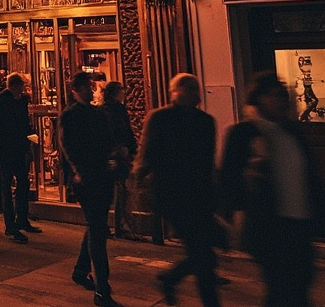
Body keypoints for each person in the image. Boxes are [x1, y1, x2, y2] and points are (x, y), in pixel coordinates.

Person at [220, 72, 325, 307]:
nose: (282, 100)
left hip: (300, 222)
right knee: (284, 288)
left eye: (284, 94)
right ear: (259, 99)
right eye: (275, 95)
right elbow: (228, 179)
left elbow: (308, 174)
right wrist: (235, 216)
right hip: (268, 225)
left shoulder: (292, 131)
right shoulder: (243, 133)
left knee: (299, 285)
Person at [136, 73, 221, 307]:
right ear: (174, 91)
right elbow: (147, 154)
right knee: (203, 255)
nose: (193, 92)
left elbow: (208, 160)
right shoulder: (160, 118)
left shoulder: (206, 121)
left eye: (195, 87)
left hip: (199, 194)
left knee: (202, 253)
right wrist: (142, 187)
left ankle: (169, 278)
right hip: (172, 194)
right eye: (186, 88)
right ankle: (180, 284)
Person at [61, 71, 119, 307]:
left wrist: (115, 155)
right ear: (75, 90)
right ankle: (102, 288)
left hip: (101, 174)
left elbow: (108, 140)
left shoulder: (98, 113)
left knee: (97, 224)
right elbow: (68, 145)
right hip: (87, 177)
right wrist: (77, 170)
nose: (88, 90)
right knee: (97, 228)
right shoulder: (71, 115)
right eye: (84, 86)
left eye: (90, 86)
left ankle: (81, 269)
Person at [0, 72, 36, 241]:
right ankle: (11, 225)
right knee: (7, 186)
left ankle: (21, 219)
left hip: (18, 148)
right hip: (6, 150)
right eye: (22, 86)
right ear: (16, 86)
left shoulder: (18, 101)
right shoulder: (1, 102)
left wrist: (29, 135)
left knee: (22, 183)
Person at [101, 82, 139, 240]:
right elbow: (121, 131)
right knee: (119, 190)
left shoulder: (111, 109)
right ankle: (120, 226)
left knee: (117, 190)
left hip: (117, 153)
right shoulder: (112, 111)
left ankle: (116, 225)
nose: (124, 94)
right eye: (121, 91)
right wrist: (128, 148)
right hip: (116, 153)